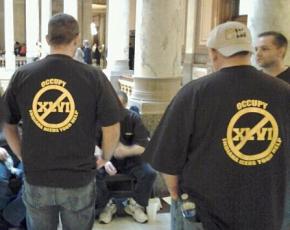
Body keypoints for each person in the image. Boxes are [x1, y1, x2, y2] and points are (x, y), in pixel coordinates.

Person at [144, 21, 290, 230]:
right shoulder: (283, 92)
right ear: (249, 51)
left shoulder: (193, 93)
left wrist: (175, 194)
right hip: (266, 212)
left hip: (205, 214)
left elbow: (168, 158)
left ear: (213, 53)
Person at [2, 13, 121, 230]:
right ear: (76, 40)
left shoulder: (23, 75)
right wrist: (104, 157)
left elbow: (7, 123)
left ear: (47, 39)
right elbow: (112, 127)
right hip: (78, 179)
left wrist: (21, 155)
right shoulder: (93, 77)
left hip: (37, 176)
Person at [95, 91, 156, 224]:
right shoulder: (101, 119)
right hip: (108, 160)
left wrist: (126, 151)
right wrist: (104, 161)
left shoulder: (133, 118)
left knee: (150, 173)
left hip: (131, 160)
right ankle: (106, 205)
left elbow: (144, 146)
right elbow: (93, 145)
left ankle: (135, 205)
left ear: (125, 105)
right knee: (92, 174)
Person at [255, 31, 290, 230]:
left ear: (281, 50)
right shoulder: (253, 80)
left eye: (265, 49)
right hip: (258, 153)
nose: (258, 54)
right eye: (256, 49)